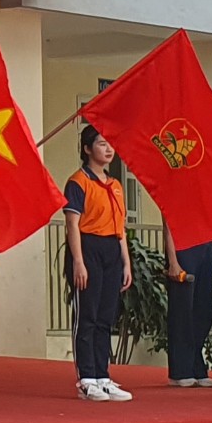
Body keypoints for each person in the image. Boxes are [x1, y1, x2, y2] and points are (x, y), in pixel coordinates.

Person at [65, 126, 133, 403]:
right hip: (88, 247)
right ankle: (87, 378)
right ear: (87, 148)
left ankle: (103, 376)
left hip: (111, 250)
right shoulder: (78, 182)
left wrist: (126, 263)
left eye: (110, 143)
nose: (108, 149)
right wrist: (78, 262)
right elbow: (72, 224)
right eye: (102, 143)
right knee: (88, 315)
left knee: (106, 317)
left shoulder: (115, 185)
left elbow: (121, 229)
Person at [164, 224, 212, 387]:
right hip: (183, 249)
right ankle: (180, 371)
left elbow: (211, 222)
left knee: (203, 311)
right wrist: (172, 261)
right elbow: (168, 225)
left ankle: (197, 367)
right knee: (182, 312)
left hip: (206, 248)